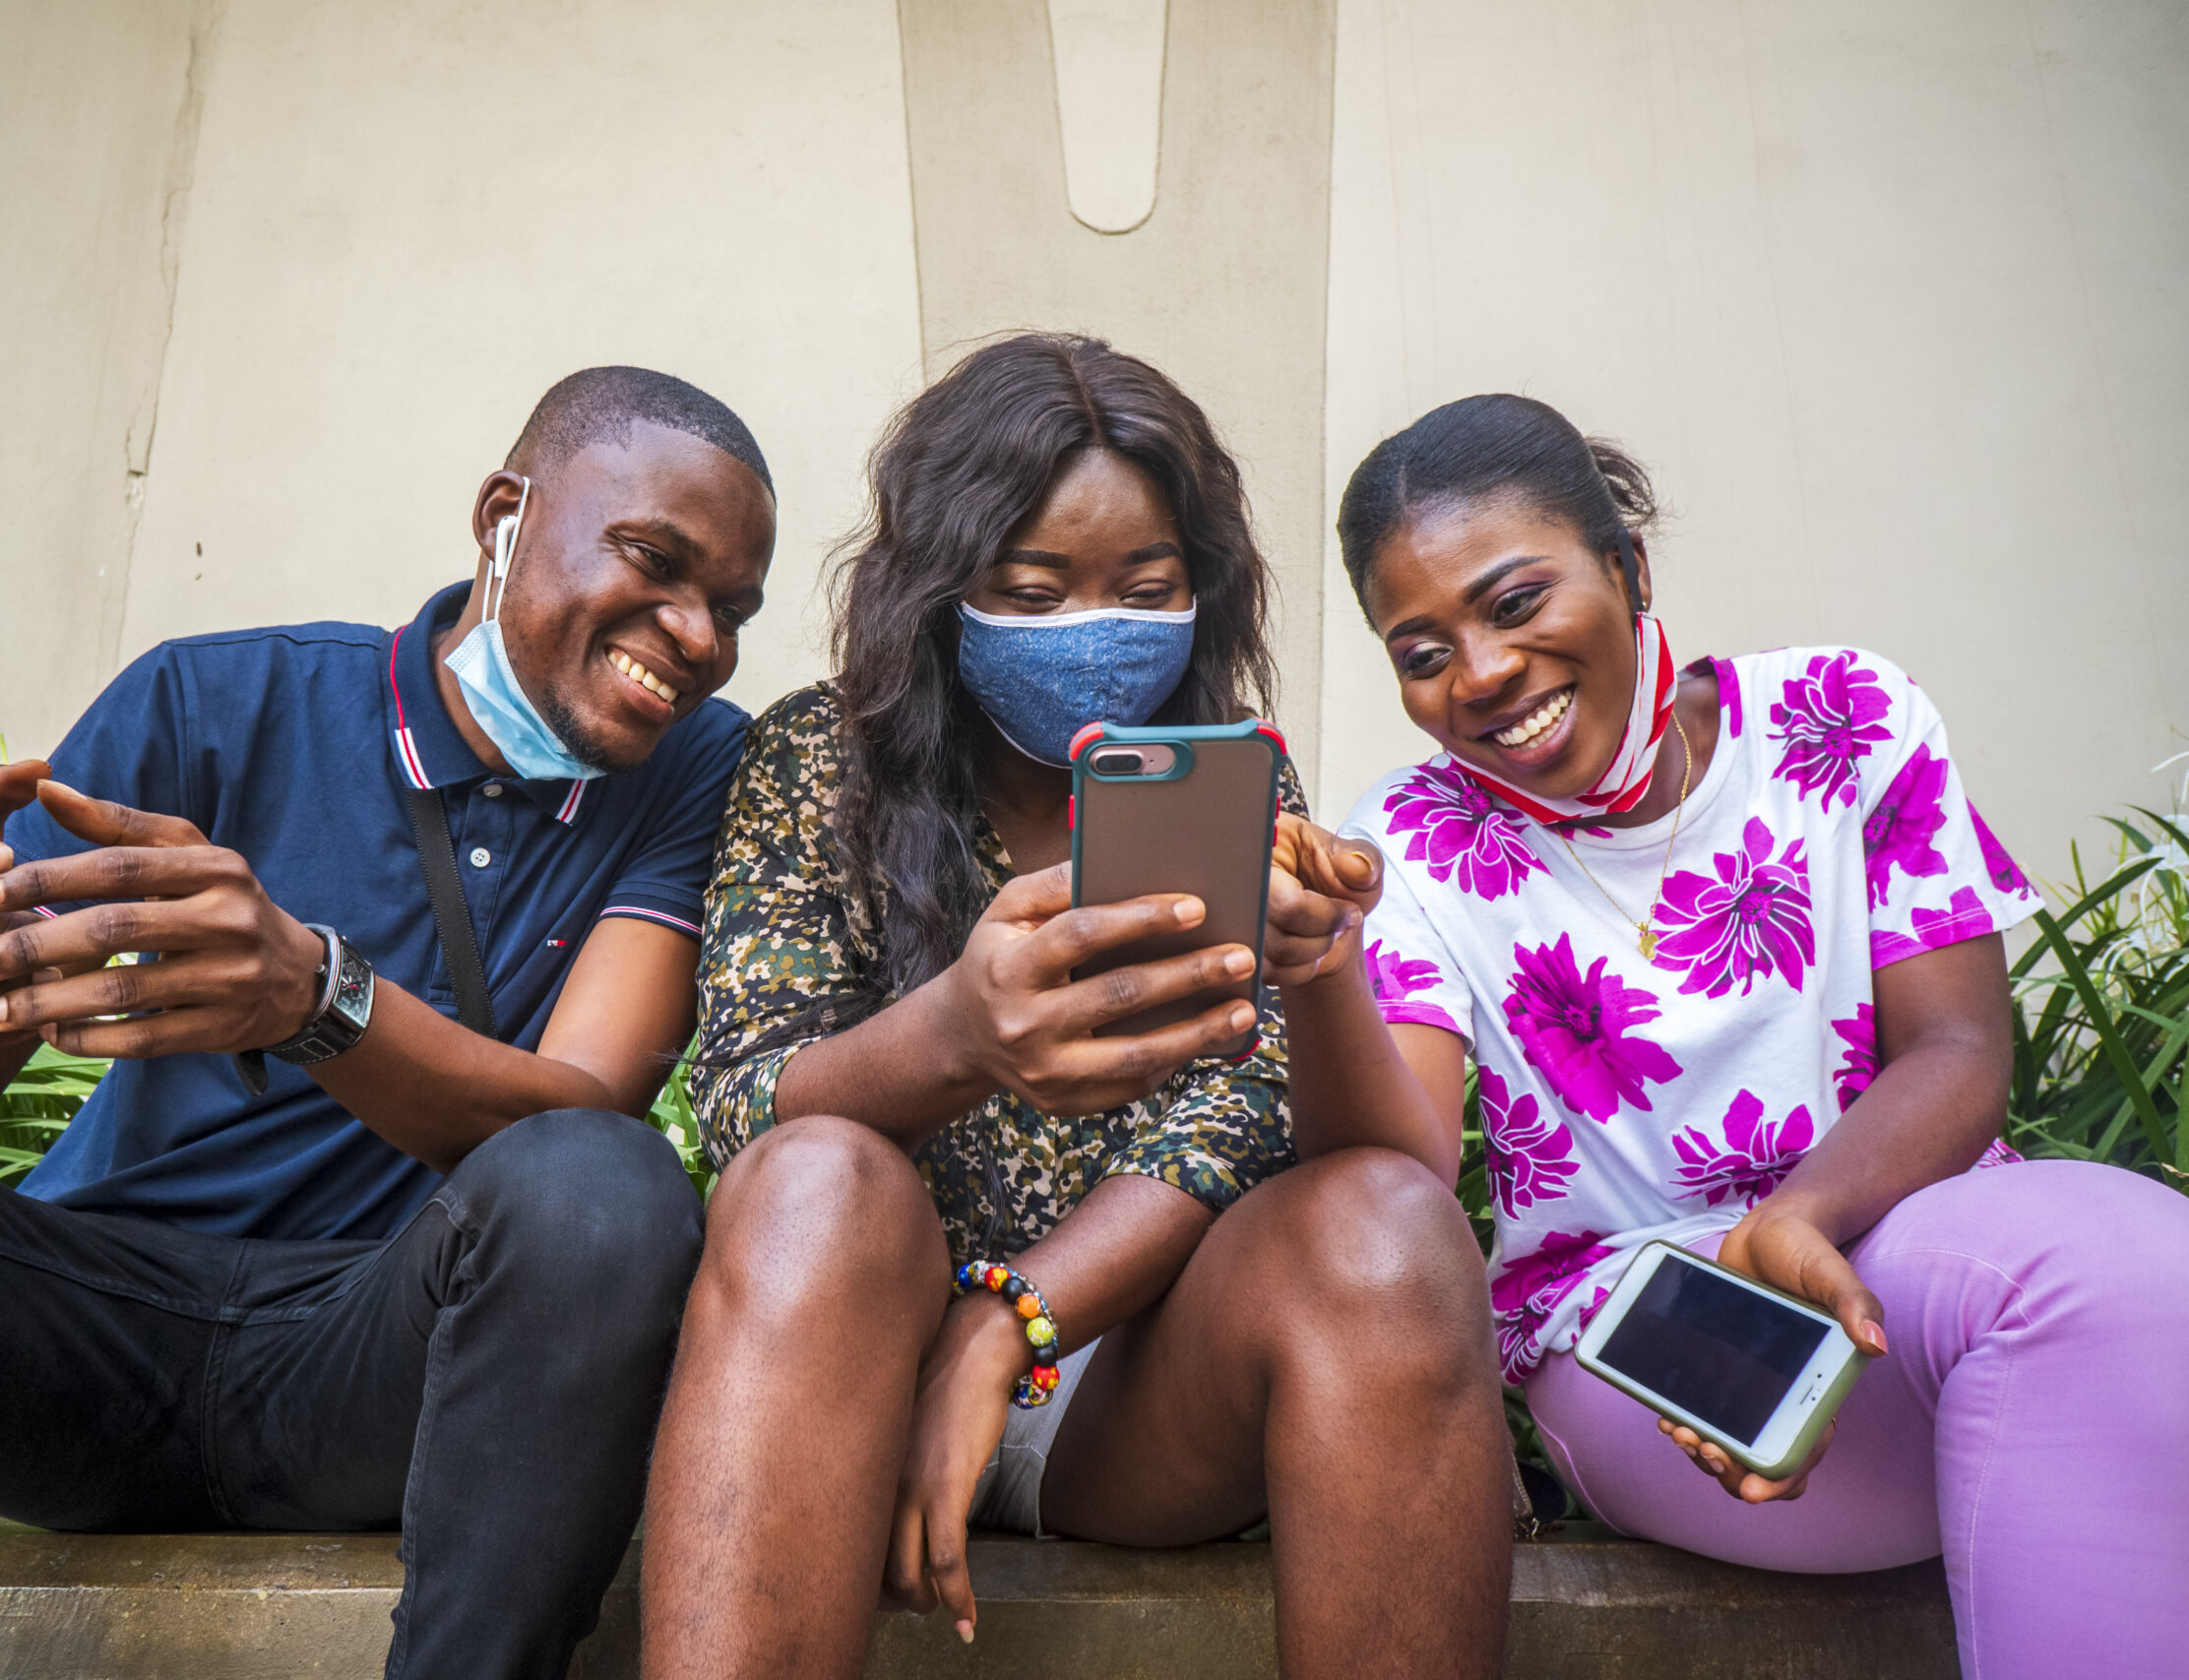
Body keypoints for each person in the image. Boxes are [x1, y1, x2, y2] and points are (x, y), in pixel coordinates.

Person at [0, 366, 778, 1680]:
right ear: (501, 516)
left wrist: (315, 996)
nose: (698, 634)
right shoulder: (212, 703)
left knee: (603, 1183)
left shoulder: (701, 769)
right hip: (80, 1332)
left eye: (733, 608)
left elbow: (583, 1098)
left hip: (379, 1360)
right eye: (657, 561)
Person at [639, 334, 1515, 1680]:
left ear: (1200, 594)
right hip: (837, 1367)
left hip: (1126, 1394)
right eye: (1033, 592)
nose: (1090, 634)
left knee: (1389, 1226)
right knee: (816, 1175)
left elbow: (1235, 1118)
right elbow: (745, 1098)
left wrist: (1012, 1323)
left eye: (1143, 589)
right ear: (942, 591)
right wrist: (958, 1039)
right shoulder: (815, 759)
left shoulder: (1233, 795)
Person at [1281, 392, 2189, 1679]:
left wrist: (1798, 1217)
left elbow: (1958, 1055)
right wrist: (1319, 969)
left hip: (1898, 1243)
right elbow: (1400, 1169)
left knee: (2135, 1270)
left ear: (1629, 567)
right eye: (1419, 651)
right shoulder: (1415, 845)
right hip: (1629, 1321)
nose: (1478, 675)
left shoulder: (1845, 717)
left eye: (1515, 602)